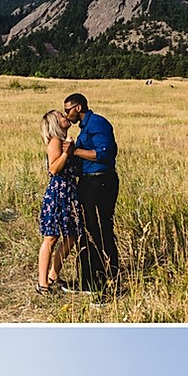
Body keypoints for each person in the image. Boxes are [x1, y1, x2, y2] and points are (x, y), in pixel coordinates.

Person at [62, 93, 120, 290]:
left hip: (100, 182)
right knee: (86, 232)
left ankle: (109, 281)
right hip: (88, 182)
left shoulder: (97, 123)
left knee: (101, 231)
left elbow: (105, 153)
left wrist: (74, 152)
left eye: (67, 110)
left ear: (78, 108)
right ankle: (88, 282)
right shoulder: (87, 127)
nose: (66, 114)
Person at [36, 108, 82, 295]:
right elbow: (54, 169)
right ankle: (42, 283)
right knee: (51, 237)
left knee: (70, 236)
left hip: (69, 192)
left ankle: (53, 276)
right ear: (54, 123)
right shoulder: (55, 141)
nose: (65, 117)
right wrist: (66, 153)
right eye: (61, 116)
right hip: (58, 192)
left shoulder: (63, 142)